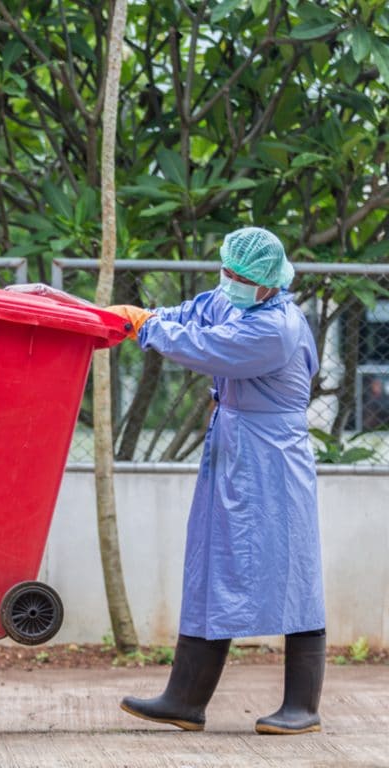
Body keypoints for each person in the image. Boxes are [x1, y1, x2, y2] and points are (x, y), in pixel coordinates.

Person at [108, 227, 325, 735]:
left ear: (268, 282)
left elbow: (206, 348)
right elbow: (192, 316)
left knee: (292, 572)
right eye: (226, 270)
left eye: (240, 276)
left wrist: (146, 328)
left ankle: (303, 706)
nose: (228, 281)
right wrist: (146, 319)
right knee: (212, 568)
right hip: (233, 451)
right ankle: (185, 699)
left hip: (274, 461)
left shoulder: (275, 328)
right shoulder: (234, 301)